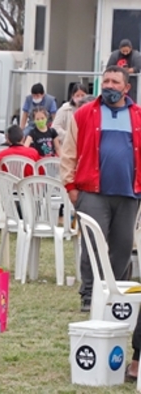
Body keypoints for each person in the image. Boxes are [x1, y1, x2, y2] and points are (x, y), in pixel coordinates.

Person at [60, 65, 141, 313]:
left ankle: (115, 294)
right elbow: (68, 153)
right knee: (93, 246)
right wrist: (71, 187)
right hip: (92, 193)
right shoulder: (84, 114)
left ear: (126, 88)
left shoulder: (137, 115)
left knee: (123, 246)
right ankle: (89, 294)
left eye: (115, 82)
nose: (109, 86)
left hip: (128, 194)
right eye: (105, 81)